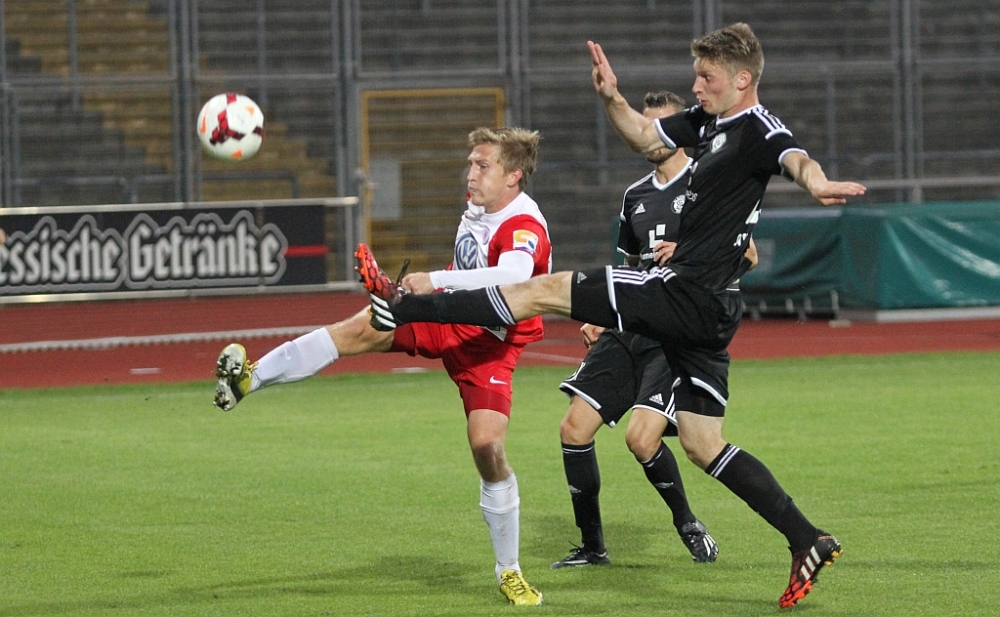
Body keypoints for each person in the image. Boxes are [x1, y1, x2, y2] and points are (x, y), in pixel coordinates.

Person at [356, 23, 866, 609]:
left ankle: (404, 303)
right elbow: (646, 136)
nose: (696, 85)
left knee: (541, 290)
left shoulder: (758, 127)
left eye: (707, 77)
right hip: (708, 309)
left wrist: (817, 181)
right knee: (703, 442)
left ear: (743, 79)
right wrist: (610, 97)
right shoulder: (707, 123)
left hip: (681, 292)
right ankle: (806, 537)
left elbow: (795, 158)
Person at [215, 126, 549, 606]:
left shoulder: (524, 222)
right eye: (470, 164)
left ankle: (509, 571)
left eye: (483, 166)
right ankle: (249, 377)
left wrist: (435, 280)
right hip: (448, 318)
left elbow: (516, 274)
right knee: (357, 329)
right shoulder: (479, 206)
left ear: (514, 176)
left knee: (487, 448)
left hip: (489, 346)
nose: (470, 174)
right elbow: (468, 274)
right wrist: (420, 293)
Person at [552, 90, 747, 569]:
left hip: (675, 331)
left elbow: (748, 254)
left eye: (661, 127)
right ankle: (592, 547)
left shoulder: (708, 184)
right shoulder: (635, 195)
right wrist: (602, 314)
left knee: (641, 439)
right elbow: (629, 267)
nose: (651, 135)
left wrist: (689, 253)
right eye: (647, 126)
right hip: (631, 324)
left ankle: (687, 522)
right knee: (573, 428)